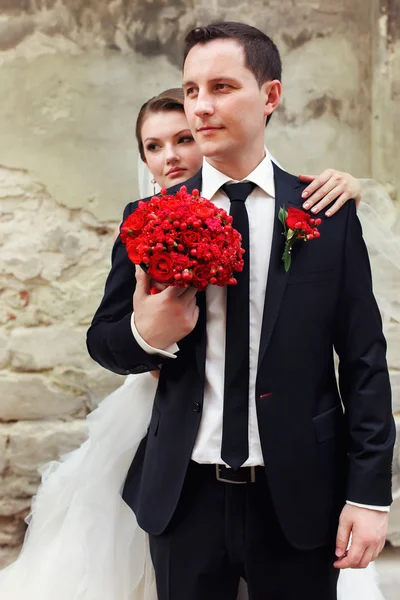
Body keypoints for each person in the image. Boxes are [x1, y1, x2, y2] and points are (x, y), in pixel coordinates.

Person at [0, 81, 391, 598]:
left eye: (182, 139)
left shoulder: (314, 208)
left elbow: (364, 359)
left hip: (296, 483)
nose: (172, 157)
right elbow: (105, 339)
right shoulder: (144, 221)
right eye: (153, 147)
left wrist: (369, 496)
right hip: (182, 475)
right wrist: (149, 333)